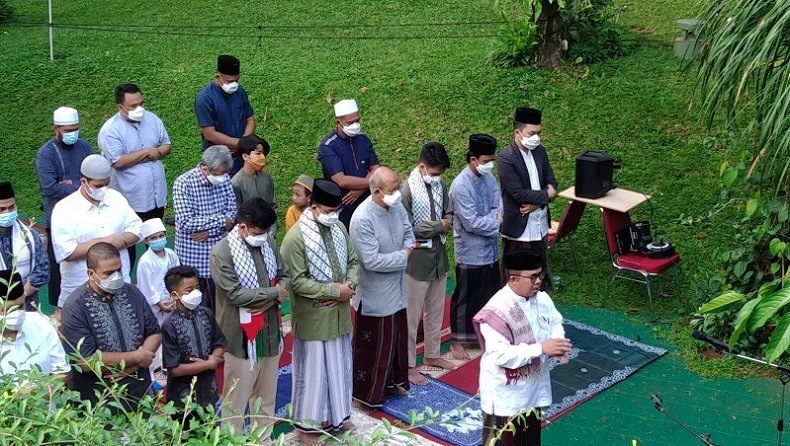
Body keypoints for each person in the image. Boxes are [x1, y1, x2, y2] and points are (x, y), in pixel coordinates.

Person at [280, 179, 359, 445]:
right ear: (312, 207)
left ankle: (339, 416)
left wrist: (349, 285)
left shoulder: (338, 227)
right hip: (314, 317)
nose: (332, 216)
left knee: (340, 367)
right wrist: (335, 292)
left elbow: (352, 260)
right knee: (313, 373)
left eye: (335, 211)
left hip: (338, 315)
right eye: (327, 211)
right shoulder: (295, 239)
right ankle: (307, 427)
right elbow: (297, 282)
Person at [209, 198, 289, 440]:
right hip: (240, 337)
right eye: (258, 232)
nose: (263, 237)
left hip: (270, 333)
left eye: (266, 232)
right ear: (242, 227)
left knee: (266, 399)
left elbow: (285, 275)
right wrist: (274, 294)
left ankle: (263, 441)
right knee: (236, 403)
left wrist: (271, 299)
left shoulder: (269, 242)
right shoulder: (222, 252)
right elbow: (234, 294)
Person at [473, 250, 571, 446]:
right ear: (513, 279)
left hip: (533, 387)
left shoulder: (541, 299)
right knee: (508, 441)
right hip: (506, 395)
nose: (538, 281)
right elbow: (501, 356)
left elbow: (555, 322)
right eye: (533, 277)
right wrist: (542, 348)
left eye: (540, 275)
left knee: (531, 439)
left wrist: (558, 342)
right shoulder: (496, 312)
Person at [61, 242, 161, 411]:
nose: (116, 276)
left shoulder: (132, 292)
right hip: (99, 399)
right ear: (91, 274)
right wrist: (137, 357)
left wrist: (133, 367)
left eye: (119, 270)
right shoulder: (75, 306)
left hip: (139, 391)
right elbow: (85, 361)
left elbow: (155, 333)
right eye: (108, 273)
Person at [350, 167, 415, 407]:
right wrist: (404, 256)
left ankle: (393, 382)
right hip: (375, 293)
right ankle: (367, 395)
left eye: (397, 187)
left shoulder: (396, 206)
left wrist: (405, 250)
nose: (397, 193)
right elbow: (372, 260)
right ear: (377, 192)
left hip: (397, 288)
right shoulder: (362, 218)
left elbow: (409, 232)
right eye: (392, 189)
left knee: (396, 340)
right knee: (374, 347)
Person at [51, 155, 142, 311]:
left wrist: (120, 241)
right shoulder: (64, 209)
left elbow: (137, 229)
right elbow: (67, 252)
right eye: (99, 186)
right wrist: (107, 243)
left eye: (107, 184)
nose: (104, 189)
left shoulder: (116, 198)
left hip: (119, 286)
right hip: (80, 291)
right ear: (84, 182)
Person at [99, 83, 172, 270]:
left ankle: (159, 279)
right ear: (120, 107)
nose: (139, 109)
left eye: (141, 103)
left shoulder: (153, 119)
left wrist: (155, 152)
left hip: (155, 196)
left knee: (156, 242)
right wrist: (148, 152)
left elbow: (166, 145)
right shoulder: (111, 130)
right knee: (127, 246)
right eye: (133, 106)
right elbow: (118, 161)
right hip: (130, 199)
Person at [400, 143, 456, 385]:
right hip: (416, 262)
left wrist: (442, 223)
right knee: (411, 317)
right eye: (433, 173)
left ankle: (432, 355)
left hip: (438, 258)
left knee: (435, 311)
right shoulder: (406, 191)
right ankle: (409, 365)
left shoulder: (440, 184)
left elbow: (450, 214)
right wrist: (438, 226)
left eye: (439, 173)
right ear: (421, 166)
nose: (437, 177)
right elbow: (407, 229)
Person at [448, 134, 503, 360]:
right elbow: (470, 222)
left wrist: (491, 218)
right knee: (466, 296)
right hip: (470, 251)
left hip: (490, 249)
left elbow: (498, 205)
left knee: (488, 294)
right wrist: (494, 221)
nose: (490, 164)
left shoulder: (489, 179)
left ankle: (483, 333)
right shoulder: (460, 186)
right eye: (486, 160)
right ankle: (457, 340)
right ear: (473, 159)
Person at [35, 106, 94, 307]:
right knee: (59, 267)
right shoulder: (46, 154)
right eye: (67, 130)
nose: (72, 134)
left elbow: (95, 180)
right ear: (56, 128)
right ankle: (59, 310)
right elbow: (50, 188)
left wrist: (70, 183)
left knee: (88, 262)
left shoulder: (85, 147)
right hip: (59, 219)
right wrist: (83, 185)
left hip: (86, 215)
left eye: (75, 129)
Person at [498, 107, 558, 289]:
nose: (536, 138)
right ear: (518, 132)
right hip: (518, 226)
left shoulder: (540, 152)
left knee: (538, 270)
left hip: (539, 224)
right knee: (515, 275)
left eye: (539, 133)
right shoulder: (506, 158)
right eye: (532, 133)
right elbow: (518, 193)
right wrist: (545, 197)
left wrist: (537, 203)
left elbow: (553, 183)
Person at [172, 145, 237, 311]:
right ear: (204, 167)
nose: (223, 177)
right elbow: (185, 223)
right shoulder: (183, 183)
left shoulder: (225, 180)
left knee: (222, 312)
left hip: (221, 256)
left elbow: (232, 214)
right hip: (196, 260)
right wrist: (222, 221)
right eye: (218, 174)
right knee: (198, 310)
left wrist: (209, 230)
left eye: (225, 173)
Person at [161, 265, 226, 416]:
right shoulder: (169, 325)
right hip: (183, 396)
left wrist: (214, 357)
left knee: (210, 429)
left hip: (209, 388)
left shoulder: (206, 313)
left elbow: (219, 342)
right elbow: (174, 369)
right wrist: (208, 364)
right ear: (175, 295)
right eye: (189, 290)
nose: (196, 293)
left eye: (197, 287)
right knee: (187, 434)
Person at [317, 99, 380, 229]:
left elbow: (376, 169)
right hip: (343, 205)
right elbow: (341, 180)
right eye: (350, 122)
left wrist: (360, 189)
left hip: (367, 200)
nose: (355, 125)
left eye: (357, 120)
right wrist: (371, 182)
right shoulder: (328, 147)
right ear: (338, 123)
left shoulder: (363, 139)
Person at [0, 269, 69, 378]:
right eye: (8, 309)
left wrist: (41, 392)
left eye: (20, 306)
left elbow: (62, 371)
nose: (16, 313)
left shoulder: (40, 323)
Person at [195, 54, 256, 176]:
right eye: (230, 81)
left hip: (241, 156)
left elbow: (250, 119)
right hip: (218, 159)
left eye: (236, 80)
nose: (234, 84)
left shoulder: (240, 91)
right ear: (218, 77)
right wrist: (240, 144)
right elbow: (210, 134)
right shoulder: (204, 98)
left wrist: (243, 142)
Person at [135, 218, 180, 372]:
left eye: (161, 236)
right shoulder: (145, 261)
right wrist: (159, 303)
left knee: (171, 331)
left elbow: (177, 275)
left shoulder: (171, 254)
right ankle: (156, 367)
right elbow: (145, 285)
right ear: (146, 241)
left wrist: (175, 297)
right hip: (154, 305)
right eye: (153, 238)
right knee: (156, 333)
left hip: (172, 299)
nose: (158, 240)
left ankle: (171, 362)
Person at [0, 182, 50, 311]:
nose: (8, 212)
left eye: (11, 207)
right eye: (2, 209)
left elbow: (43, 269)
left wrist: (23, 294)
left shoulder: (30, 235)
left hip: (27, 306)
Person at [231, 135, 277, 235]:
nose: (262, 157)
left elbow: (272, 206)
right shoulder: (236, 183)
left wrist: (273, 230)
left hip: (268, 233)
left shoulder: (266, 177)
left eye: (263, 154)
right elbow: (237, 215)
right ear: (245, 157)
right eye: (258, 153)